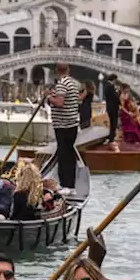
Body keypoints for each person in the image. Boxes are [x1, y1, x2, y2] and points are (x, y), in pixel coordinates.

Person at [48, 62, 80, 191]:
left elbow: (60, 103)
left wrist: (50, 97)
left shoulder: (61, 84)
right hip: (71, 124)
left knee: (64, 154)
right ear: (68, 70)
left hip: (63, 125)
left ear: (57, 70)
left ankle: (65, 184)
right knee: (68, 154)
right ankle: (70, 183)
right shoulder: (72, 83)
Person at [103, 74, 121, 144]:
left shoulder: (106, 86)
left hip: (109, 107)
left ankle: (111, 137)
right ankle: (112, 138)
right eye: (115, 80)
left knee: (112, 123)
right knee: (114, 123)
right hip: (113, 108)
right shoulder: (110, 86)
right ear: (113, 79)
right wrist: (118, 93)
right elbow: (115, 97)